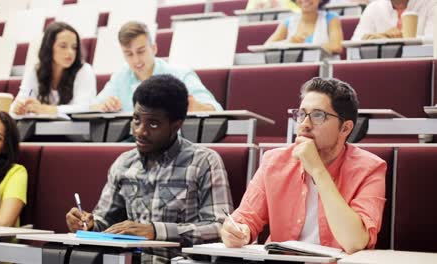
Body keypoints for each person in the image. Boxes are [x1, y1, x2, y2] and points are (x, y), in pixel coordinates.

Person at [66, 74, 233, 263]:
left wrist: (156, 231)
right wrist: (88, 224)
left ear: (176, 126)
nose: (140, 131)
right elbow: (106, 221)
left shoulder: (203, 162)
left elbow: (221, 229)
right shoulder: (124, 164)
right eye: (136, 120)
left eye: (153, 124)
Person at [221, 77, 386, 254]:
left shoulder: (370, 169)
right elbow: (244, 219)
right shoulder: (274, 161)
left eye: (318, 116)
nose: (304, 125)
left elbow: (354, 242)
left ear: (345, 128)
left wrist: (317, 170)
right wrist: (237, 233)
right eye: (301, 115)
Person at [92, 21, 223, 113]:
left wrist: (196, 107)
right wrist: (104, 106)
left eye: (141, 51)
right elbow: (92, 107)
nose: (136, 60)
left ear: (154, 48)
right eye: (129, 54)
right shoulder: (121, 76)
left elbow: (216, 109)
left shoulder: (181, 74)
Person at [10, 22, 96, 115]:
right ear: (49, 47)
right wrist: (19, 108)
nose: (70, 52)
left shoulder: (85, 70)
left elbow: (85, 108)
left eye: (74, 47)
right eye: (63, 46)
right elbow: (19, 101)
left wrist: (48, 110)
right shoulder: (35, 70)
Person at [265, 0, 344, 54]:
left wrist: (303, 45)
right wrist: (288, 42)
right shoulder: (287, 22)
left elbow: (336, 47)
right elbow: (266, 46)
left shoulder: (331, 18)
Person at [352, 0, 435, 40]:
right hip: (382, 67)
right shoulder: (374, 7)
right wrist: (383, 36)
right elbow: (355, 42)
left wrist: (396, 37)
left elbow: (433, 43)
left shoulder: (431, 4)